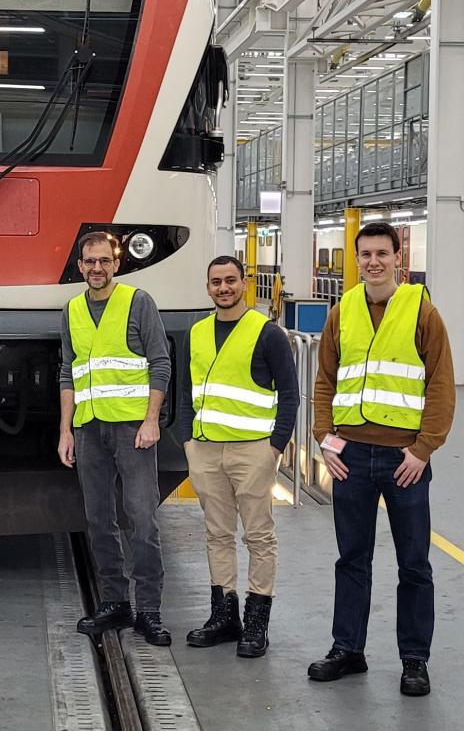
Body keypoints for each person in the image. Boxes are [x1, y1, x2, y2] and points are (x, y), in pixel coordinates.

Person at [308, 222, 454, 697]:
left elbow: (440, 386)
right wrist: (323, 439)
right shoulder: (342, 312)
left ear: (398, 259)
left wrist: (423, 448)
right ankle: (347, 649)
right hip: (350, 457)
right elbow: (326, 380)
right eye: (365, 254)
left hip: (403, 460)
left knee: (414, 564)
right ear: (357, 259)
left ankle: (415, 660)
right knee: (352, 558)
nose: (373, 262)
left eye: (381, 253)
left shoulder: (422, 312)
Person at [178, 256, 299, 658]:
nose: (223, 288)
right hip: (206, 448)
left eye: (230, 280)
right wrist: (187, 440)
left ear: (244, 283)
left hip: (253, 450)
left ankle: (257, 624)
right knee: (217, 534)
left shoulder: (267, 334)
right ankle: (225, 616)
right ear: (207, 287)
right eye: (216, 282)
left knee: (259, 536)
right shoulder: (196, 332)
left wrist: (275, 447)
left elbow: (290, 395)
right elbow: (185, 391)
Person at [57, 231, 172, 646]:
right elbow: (68, 371)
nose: (97, 268)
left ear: (116, 264)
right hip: (89, 429)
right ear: (80, 266)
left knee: (142, 520)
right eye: (89, 262)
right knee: (98, 520)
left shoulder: (137, 302)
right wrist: (65, 430)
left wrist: (151, 420)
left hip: (132, 429)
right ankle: (114, 603)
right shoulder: (71, 309)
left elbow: (160, 363)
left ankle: (150, 612)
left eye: (104, 261)